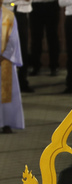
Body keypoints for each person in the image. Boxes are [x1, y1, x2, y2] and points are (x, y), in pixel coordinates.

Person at [0, 5, 26, 134]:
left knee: (6, 93)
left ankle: (7, 123)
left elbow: (13, 38)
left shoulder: (8, 15)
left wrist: (4, 55)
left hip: (4, 60)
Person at [30, 0, 61, 76]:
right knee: (36, 38)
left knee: (52, 37)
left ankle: (54, 66)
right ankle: (35, 66)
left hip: (52, 5)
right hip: (35, 5)